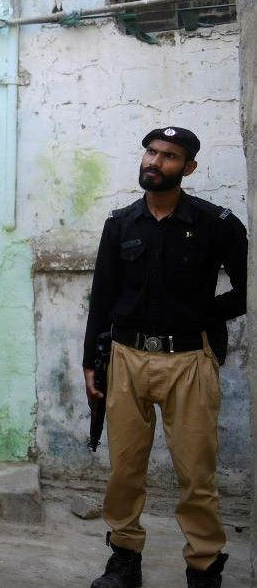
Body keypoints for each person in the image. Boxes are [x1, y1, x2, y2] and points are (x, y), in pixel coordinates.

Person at [82, 127, 247, 588]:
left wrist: (205, 311)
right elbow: (103, 296)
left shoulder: (218, 223)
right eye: (151, 152)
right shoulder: (121, 222)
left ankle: (203, 565)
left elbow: (247, 285)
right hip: (126, 360)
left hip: (189, 360)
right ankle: (124, 559)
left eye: (169, 156)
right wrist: (90, 362)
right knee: (125, 470)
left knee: (196, 473)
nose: (155, 161)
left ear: (188, 168)